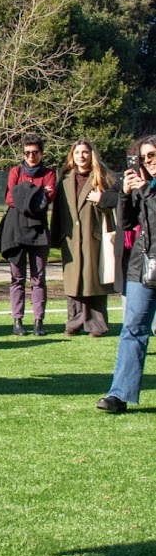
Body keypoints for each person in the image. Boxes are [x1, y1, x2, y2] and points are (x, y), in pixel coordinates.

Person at [97, 136, 156, 413]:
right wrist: (123, 192)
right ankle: (119, 395)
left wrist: (144, 190)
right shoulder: (142, 186)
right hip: (141, 267)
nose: (150, 162)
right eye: (145, 158)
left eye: (153, 155)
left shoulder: (148, 188)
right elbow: (128, 222)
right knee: (132, 330)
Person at [51, 140, 115, 337]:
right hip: (70, 239)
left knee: (93, 281)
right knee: (73, 282)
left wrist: (101, 199)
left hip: (93, 237)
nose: (81, 156)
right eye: (78, 152)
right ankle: (75, 322)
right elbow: (58, 212)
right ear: (72, 155)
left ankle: (96, 325)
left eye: (85, 152)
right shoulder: (65, 179)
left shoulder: (103, 177)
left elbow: (117, 202)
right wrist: (56, 236)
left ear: (91, 154)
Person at [0, 136, 56, 336]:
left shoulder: (49, 173)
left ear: (41, 153)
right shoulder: (15, 171)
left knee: (38, 278)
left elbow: (47, 200)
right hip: (16, 231)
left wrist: (25, 193)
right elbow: (9, 198)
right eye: (27, 153)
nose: (31, 156)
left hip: (39, 231)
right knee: (17, 278)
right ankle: (17, 321)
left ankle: (39, 321)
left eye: (35, 152)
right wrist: (38, 193)